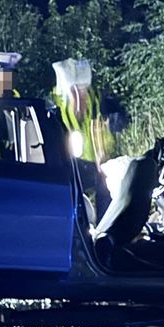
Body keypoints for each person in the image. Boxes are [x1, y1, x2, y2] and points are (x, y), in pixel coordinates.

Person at [52, 57, 118, 219]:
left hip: (95, 158)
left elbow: (97, 126)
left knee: (105, 191)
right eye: (76, 91)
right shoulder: (59, 105)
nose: (81, 96)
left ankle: (104, 225)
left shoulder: (93, 100)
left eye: (83, 91)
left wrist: (101, 154)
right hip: (72, 161)